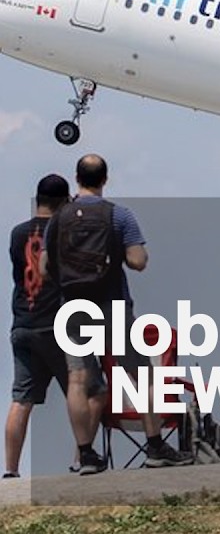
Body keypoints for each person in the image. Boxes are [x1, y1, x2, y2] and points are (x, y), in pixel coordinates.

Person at [43, 154, 193, 470]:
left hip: (73, 307)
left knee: (78, 379)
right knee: (142, 375)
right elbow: (138, 260)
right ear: (105, 179)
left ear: (77, 178)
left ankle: (86, 455)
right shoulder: (119, 215)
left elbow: (44, 268)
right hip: (112, 304)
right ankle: (155, 447)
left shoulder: (59, 219)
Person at [5, 175, 107, 478]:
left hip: (23, 323)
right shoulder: (66, 232)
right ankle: (82, 457)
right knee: (93, 391)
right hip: (59, 324)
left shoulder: (16, 233)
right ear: (64, 202)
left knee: (21, 400)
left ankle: (10, 471)